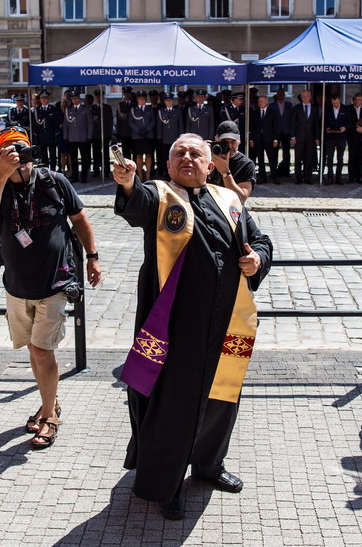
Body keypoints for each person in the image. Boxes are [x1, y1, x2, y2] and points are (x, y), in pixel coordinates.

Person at [112, 133, 273, 520]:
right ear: (168, 166)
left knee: (221, 399)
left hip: (225, 323)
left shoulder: (229, 200)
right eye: (179, 153)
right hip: (175, 330)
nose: (187, 158)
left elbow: (261, 241)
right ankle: (167, 484)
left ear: (209, 164)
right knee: (173, 409)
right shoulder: (161, 196)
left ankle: (208, 465)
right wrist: (128, 181)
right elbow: (137, 204)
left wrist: (257, 260)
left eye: (195, 154)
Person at [0, 127, 102, 449]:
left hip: (55, 283)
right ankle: (51, 401)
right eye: (10, 152)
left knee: (43, 351)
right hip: (17, 287)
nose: (20, 157)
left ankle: (49, 416)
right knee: (34, 349)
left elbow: (80, 218)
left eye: (23, 150)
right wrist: (1, 176)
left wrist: (93, 258)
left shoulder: (54, 182)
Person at [208, 120, 256, 202]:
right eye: (224, 142)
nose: (229, 146)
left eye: (233, 142)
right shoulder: (206, 157)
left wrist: (225, 173)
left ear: (239, 140)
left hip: (231, 209)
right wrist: (198, 151)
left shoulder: (246, 164)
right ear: (216, 139)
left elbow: (242, 198)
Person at [63, 92, 93, 183]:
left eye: (76, 98)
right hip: (72, 137)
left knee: (84, 158)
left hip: (83, 137)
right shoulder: (69, 110)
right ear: (71, 100)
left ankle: (84, 177)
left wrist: (89, 136)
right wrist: (65, 136)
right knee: (73, 159)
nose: (75, 100)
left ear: (79, 99)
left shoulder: (85, 109)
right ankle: (75, 176)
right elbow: (65, 125)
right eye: (73, 99)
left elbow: (90, 124)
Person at [250, 94, 280, 185]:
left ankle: (274, 176)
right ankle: (263, 177)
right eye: (259, 101)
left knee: (272, 158)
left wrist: (276, 139)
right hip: (258, 139)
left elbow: (276, 126)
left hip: (269, 139)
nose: (260, 103)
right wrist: (251, 140)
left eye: (262, 101)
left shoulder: (272, 112)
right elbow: (252, 127)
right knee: (260, 158)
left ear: (266, 102)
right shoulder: (255, 113)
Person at [290, 90, 319, 185]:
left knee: (309, 157)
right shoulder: (296, 108)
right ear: (301, 97)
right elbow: (292, 123)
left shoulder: (315, 108)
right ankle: (298, 178)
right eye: (303, 96)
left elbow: (316, 124)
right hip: (299, 137)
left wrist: (317, 137)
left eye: (307, 96)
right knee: (298, 158)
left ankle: (308, 177)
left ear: (310, 97)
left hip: (311, 137)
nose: (305, 98)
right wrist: (293, 136)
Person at [155, 92, 184, 178]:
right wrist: (159, 136)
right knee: (165, 157)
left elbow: (180, 124)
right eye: (167, 100)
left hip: (175, 138)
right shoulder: (161, 111)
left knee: (176, 156)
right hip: (165, 138)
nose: (169, 102)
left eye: (170, 100)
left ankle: (175, 173)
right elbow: (159, 125)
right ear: (164, 101)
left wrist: (181, 137)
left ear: (172, 100)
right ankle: (166, 173)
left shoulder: (177, 111)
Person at [130, 90, 156, 181]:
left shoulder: (150, 109)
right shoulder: (133, 110)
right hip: (138, 136)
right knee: (139, 155)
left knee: (149, 155)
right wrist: (139, 131)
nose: (142, 100)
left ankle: (148, 175)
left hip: (148, 135)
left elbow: (153, 121)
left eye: (143, 99)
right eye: (140, 99)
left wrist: (146, 130)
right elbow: (131, 122)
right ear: (137, 100)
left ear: (145, 99)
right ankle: (140, 175)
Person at [323, 93, 348, 185]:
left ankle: (338, 177)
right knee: (329, 158)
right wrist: (327, 128)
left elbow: (349, 121)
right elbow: (324, 121)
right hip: (330, 137)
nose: (335, 104)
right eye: (334, 103)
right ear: (331, 102)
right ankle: (330, 177)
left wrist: (345, 127)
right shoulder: (328, 109)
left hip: (341, 137)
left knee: (340, 158)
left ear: (339, 100)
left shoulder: (345, 109)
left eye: (337, 102)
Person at [32, 90, 60, 171]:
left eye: (46, 98)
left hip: (51, 136)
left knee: (53, 156)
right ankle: (45, 172)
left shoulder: (53, 109)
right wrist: (36, 137)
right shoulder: (36, 110)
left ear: (48, 99)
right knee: (44, 157)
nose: (44, 100)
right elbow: (35, 125)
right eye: (42, 98)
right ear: (40, 100)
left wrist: (56, 135)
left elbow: (56, 123)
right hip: (41, 137)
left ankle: (53, 171)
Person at [90, 89, 113, 180]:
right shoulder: (93, 108)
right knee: (96, 153)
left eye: (100, 96)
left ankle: (106, 170)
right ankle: (96, 170)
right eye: (97, 96)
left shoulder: (107, 107)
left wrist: (109, 134)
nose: (99, 98)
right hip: (95, 135)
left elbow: (110, 121)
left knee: (106, 154)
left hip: (105, 134)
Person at [272, 87, 293, 177]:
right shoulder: (272, 106)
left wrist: (292, 134)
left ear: (284, 95)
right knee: (274, 152)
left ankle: (286, 170)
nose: (281, 95)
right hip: (276, 132)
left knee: (286, 152)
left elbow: (292, 120)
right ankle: (274, 171)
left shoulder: (289, 105)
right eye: (279, 94)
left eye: (282, 94)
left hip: (286, 131)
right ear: (277, 95)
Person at [116, 86, 134, 160]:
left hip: (134, 132)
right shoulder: (120, 105)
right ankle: (127, 169)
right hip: (124, 132)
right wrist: (118, 132)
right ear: (123, 94)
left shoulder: (135, 104)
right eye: (125, 93)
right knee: (125, 153)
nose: (127, 95)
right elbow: (118, 119)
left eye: (128, 93)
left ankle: (135, 168)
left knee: (135, 152)